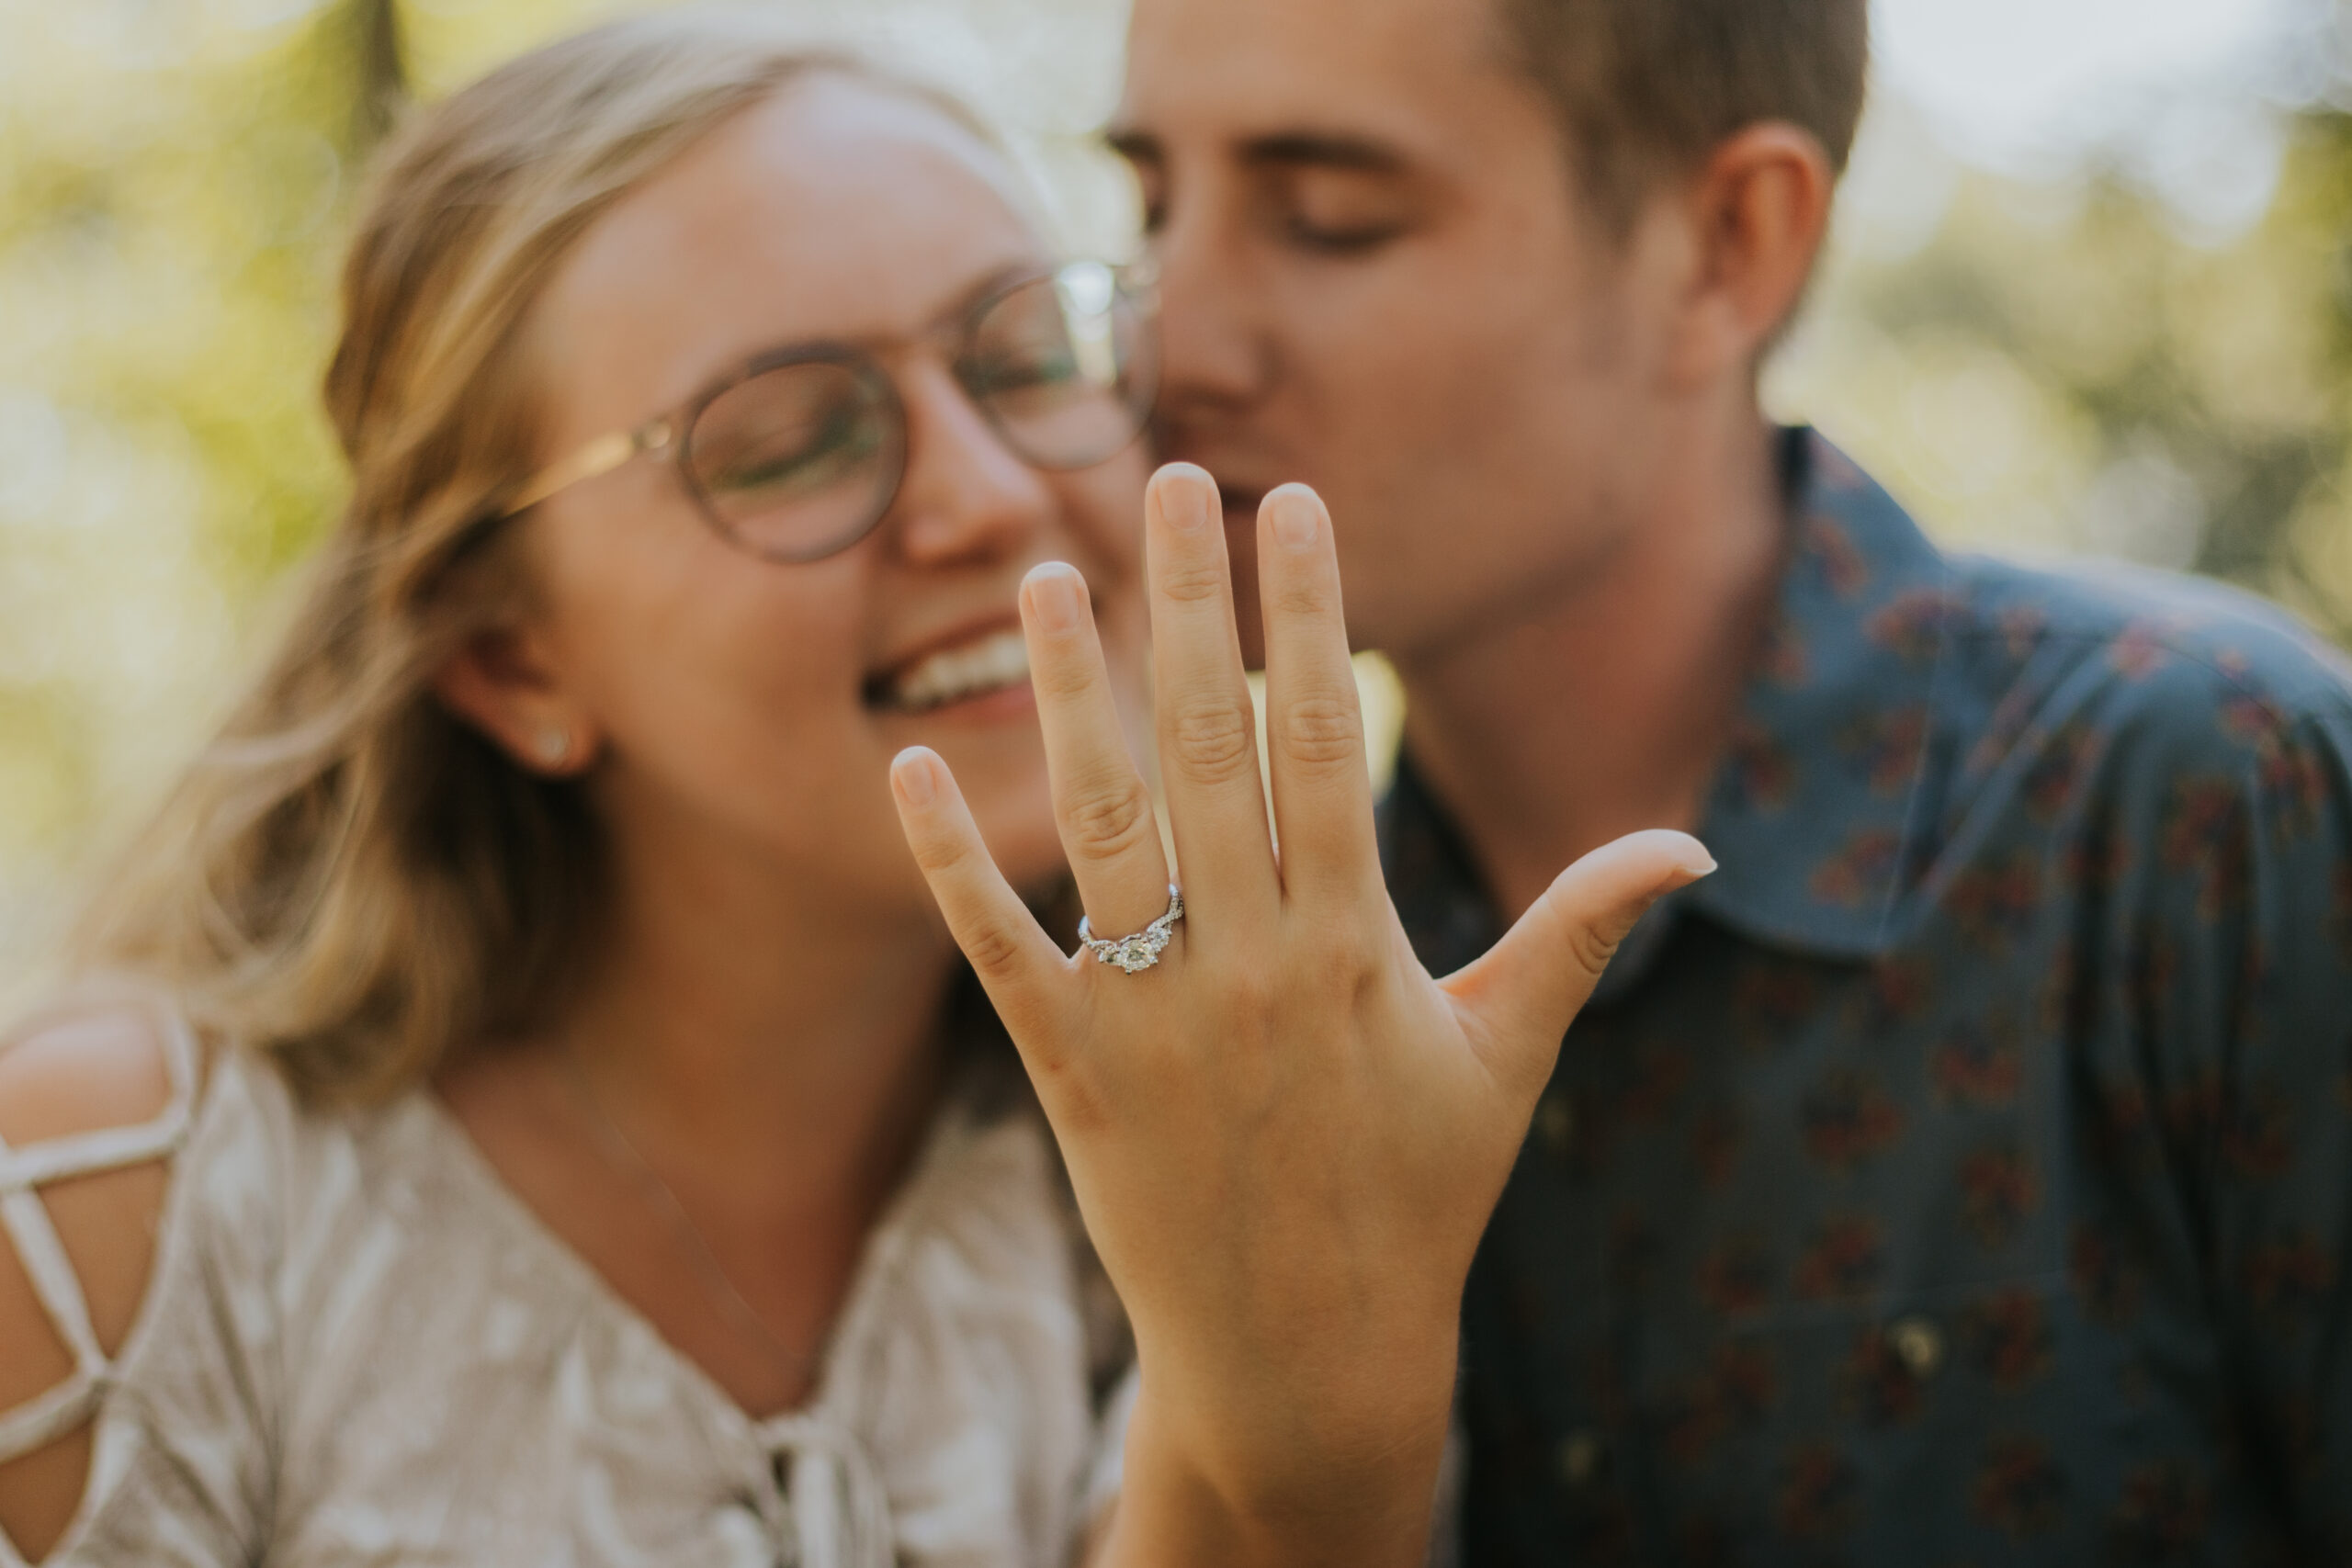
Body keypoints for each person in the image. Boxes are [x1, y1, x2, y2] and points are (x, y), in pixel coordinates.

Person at [0, 11, 1701, 1567]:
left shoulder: (1227, 1131)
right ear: (511, 661)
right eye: (791, 436)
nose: (986, 497)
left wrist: (1298, 1435)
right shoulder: (119, 1222)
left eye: (1026, 355)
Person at [1113, 0, 2352, 1560]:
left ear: (1724, 247)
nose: (1171, 337)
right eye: (1153, 205)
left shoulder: (2206, 803)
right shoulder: (1262, 999)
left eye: (1328, 219)